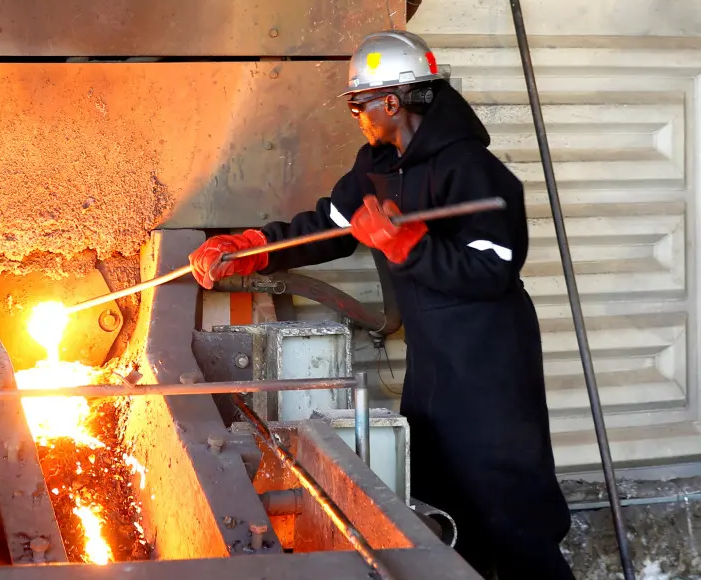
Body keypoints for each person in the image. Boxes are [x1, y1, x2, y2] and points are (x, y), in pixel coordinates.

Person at [189, 30, 574, 580]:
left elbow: (492, 269)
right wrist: (254, 249)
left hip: (490, 360)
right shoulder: (380, 165)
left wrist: (405, 245)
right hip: (436, 358)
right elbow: (330, 226)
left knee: (508, 503)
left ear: (391, 101)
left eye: (358, 104)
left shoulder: (472, 170)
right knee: (443, 491)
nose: (356, 115)